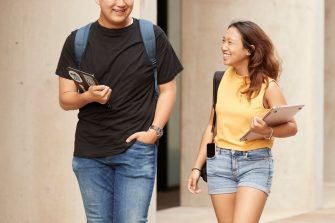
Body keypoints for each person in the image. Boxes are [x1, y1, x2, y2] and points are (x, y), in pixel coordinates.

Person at [55, 0, 183, 222]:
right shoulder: (77, 40)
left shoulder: (151, 36)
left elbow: (168, 90)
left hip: (136, 149)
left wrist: (154, 132)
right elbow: (65, 99)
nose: (121, 3)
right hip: (90, 153)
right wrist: (88, 96)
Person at [187, 20, 298, 223]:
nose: (223, 47)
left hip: (254, 163)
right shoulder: (221, 80)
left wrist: (267, 131)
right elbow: (211, 128)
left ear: (249, 49)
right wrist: (196, 167)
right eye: (223, 41)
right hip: (219, 163)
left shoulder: (268, 86)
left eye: (230, 42)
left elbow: (292, 127)